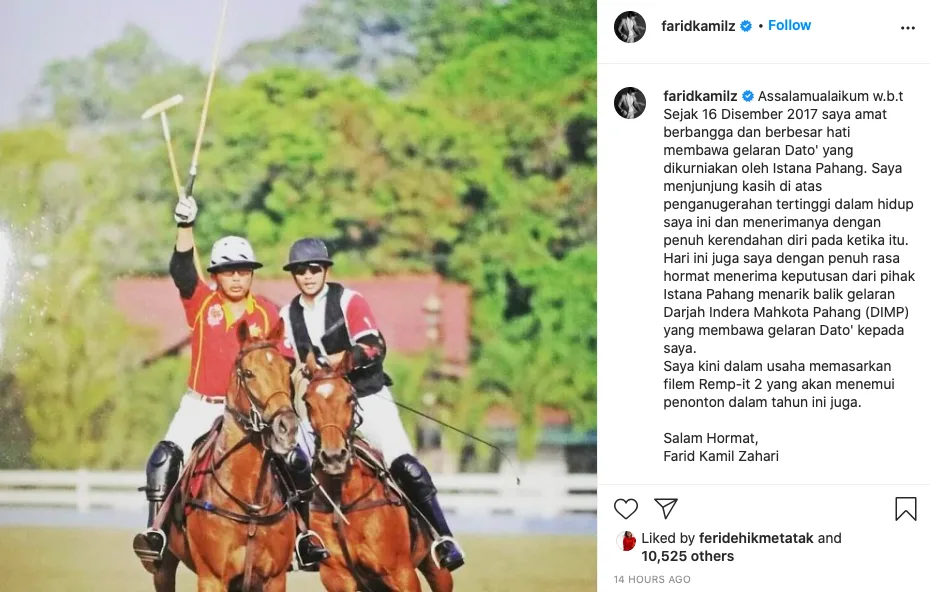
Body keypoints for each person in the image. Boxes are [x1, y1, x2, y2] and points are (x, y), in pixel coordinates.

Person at [131, 195, 328, 572]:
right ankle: (156, 532)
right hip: (201, 405)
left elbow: (284, 359)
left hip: (253, 414)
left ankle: (303, 536)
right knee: (164, 458)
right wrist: (185, 227)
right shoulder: (201, 302)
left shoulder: (267, 311)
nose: (236, 277)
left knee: (297, 461)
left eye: (243, 271)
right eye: (228, 271)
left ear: (251, 274)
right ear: (216, 275)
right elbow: (181, 271)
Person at [278, 238, 466, 572]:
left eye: (314, 269)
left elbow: (373, 345)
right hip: (322, 409)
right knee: (293, 465)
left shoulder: (349, 301)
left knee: (404, 464)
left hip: (366, 397)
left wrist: (341, 359)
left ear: (325, 270)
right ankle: (304, 539)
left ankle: (443, 537)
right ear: (293, 274)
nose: (307, 276)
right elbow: (285, 361)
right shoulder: (287, 315)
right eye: (300, 270)